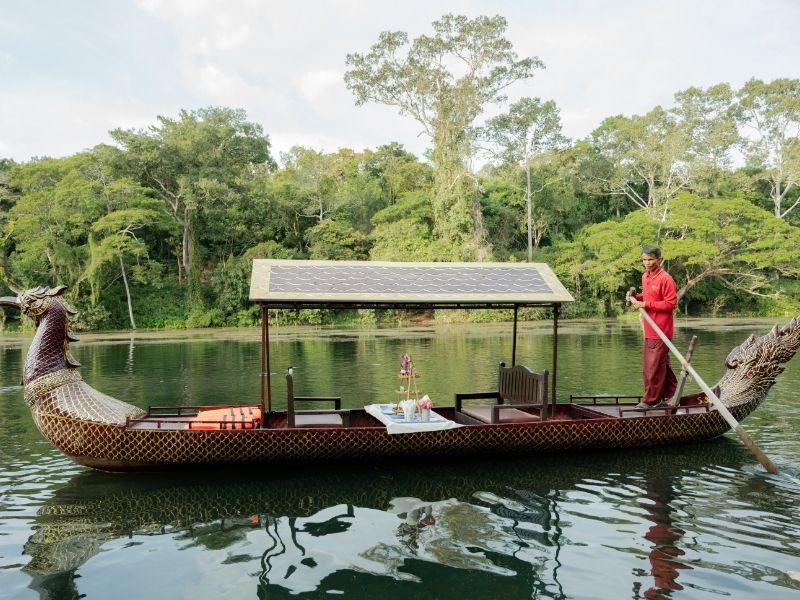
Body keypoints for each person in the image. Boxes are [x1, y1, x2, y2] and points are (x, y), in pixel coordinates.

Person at [626, 245, 678, 409]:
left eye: (650, 259)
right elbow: (649, 297)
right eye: (644, 260)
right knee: (661, 364)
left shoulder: (666, 279)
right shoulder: (645, 277)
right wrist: (636, 297)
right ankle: (671, 395)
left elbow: (670, 303)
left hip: (661, 330)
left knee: (651, 367)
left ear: (659, 260)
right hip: (649, 329)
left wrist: (645, 304)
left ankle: (651, 401)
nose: (647, 263)